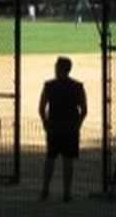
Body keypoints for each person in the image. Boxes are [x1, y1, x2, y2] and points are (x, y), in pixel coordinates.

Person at [39, 56, 88, 202]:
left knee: (50, 159)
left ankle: (45, 190)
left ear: (59, 69)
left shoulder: (49, 85)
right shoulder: (78, 86)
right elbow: (84, 109)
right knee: (68, 161)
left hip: (54, 126)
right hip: (70, 127)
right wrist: (78, 124)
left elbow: (41, 108)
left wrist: (45, 122)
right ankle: (67, 193)